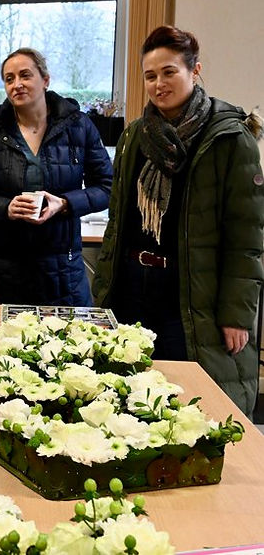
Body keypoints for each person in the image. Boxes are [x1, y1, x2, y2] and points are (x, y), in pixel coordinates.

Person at [93, 26, 264, 416]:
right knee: (130, 401)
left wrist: (237, 315)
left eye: (169, 72)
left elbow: (246, 235)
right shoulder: (135, 135)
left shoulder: (229, 138)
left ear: (194, 70)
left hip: (191, 291)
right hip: (133, 287)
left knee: (191, 405)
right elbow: (118, 223)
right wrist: (103, 295)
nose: (159, 84)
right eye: (150, 75)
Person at [0, 48, 112, 306]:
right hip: (0, 269)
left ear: (45, 80)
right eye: (9, 78)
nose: (17, 84)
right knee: (1, 344)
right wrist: (7, 207)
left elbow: (108, 187)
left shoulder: (78, 126)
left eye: (25, 75)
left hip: (62, 269)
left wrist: (65, 204)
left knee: (67, 343)